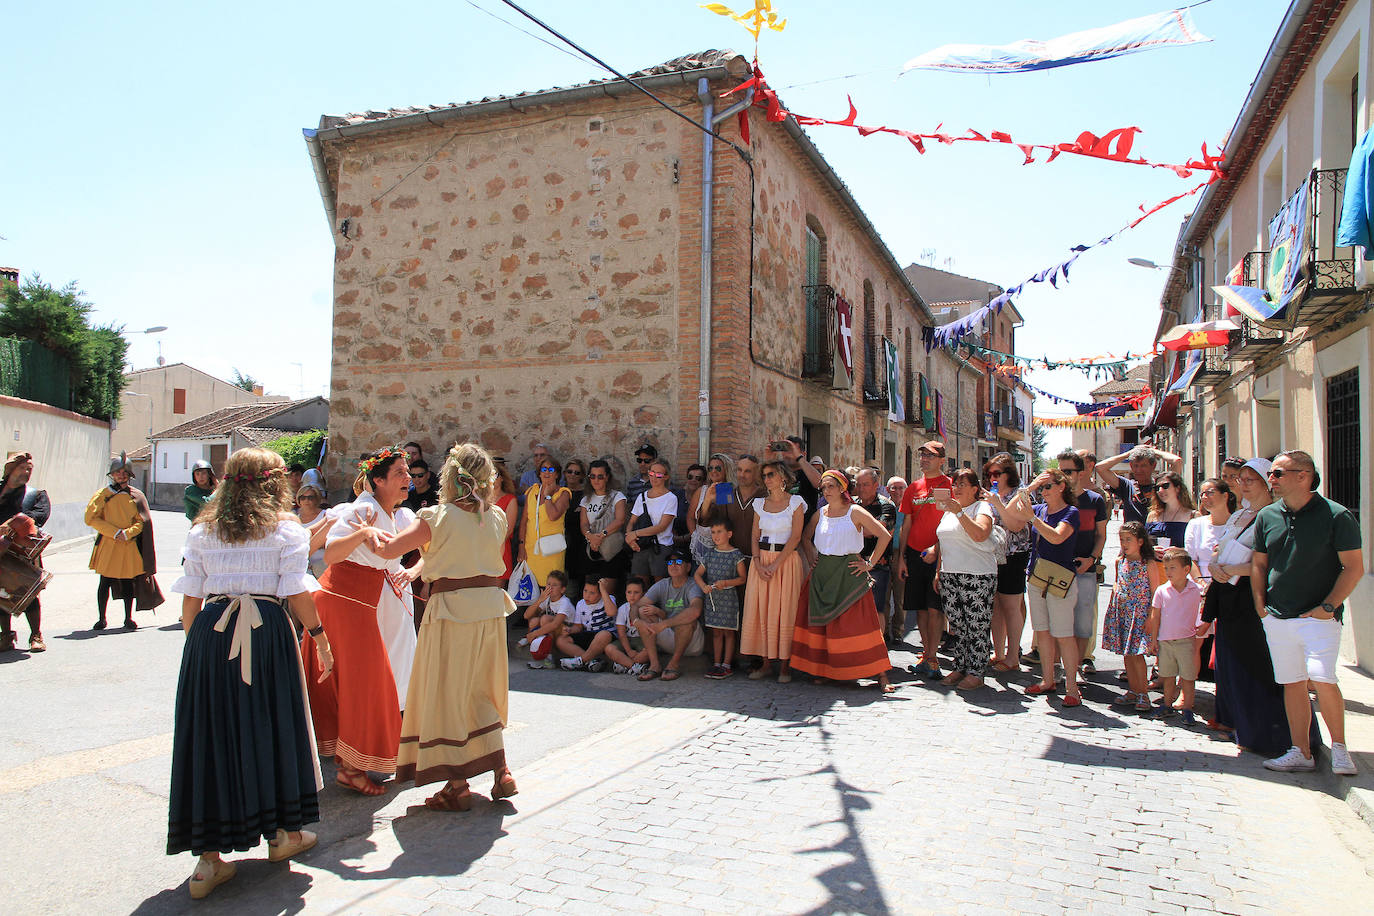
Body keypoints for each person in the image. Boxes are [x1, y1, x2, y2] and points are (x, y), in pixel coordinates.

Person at [167, 447, 333, 899]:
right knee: (272, 726)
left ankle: (208, 861)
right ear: (274, 483)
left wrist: (197, 652)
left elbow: (191, 597)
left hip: (211, 634)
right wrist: (320, 638)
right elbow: (297, 592)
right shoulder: (285, 529)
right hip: (266, 634)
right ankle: (282, 834)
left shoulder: (203, 530)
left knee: (211, 735)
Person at [371, 442, 520, 809]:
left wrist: (363, 531)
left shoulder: (435, 517)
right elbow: (462, 550)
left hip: (452, 610)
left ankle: (457, 784)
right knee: (480, 689)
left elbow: (388, 550)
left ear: (450, 476)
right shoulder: (496, 517)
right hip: (489, 610)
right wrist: (419, 567)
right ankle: (501, 771)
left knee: (447, 691)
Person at [300, 446, 411, 796]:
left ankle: (349, 765)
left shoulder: (389, 513)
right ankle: (350, 767)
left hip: (359, 606)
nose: (408, 478)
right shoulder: (363, 509)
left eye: (407, 472)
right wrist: (362, 534)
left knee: (358, 684)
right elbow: (331, 554)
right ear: (378, 480)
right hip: (342, 604)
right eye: (399, 473)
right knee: (364, 685)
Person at [1253, 450, 1363, 776]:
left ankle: (1340, 749)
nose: (1270, 479)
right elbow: (1259, 563)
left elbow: (1354, 567)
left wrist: (1328, 607)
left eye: (1277, 473)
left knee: (1323, 677)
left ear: (1304, 476)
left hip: (1319, 618)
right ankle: (1300, 751)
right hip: (1277, 616)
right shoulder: (1267, 515)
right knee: (1292, 682)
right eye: (1271, 473)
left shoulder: (1337, 515)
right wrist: (1261, 607)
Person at [1206, 458, 1318, 756]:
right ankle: (1241, 726)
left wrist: (1233, 569)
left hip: (1253, 597)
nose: (1243, 484)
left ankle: (1270, 735)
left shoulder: (1276, 516)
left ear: (1266, 484)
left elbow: (1274, 561)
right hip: (1228, 596)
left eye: (1250, 479)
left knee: (1258, 667)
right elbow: (1221, 547)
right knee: (1233, 666)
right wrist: (1216, 564)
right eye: (1240, 479)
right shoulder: (1239, 514)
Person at [928, 468, 997, 690]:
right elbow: (944, 542)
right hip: (950, 574)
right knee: (958, 625)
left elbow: (980, 534)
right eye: (955, 484)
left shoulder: (981, 508)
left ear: (975, 489)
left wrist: (959, 513)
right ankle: (960, 666)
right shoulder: (948, 510)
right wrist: (939, 571)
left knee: (977, 626)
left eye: (962, 484)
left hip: (977, 575)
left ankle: (976, 672)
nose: (956, 489)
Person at [740, 460, 806, 682]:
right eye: (765, 475)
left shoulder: (796, 503)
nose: (766, 479)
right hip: (761, 561)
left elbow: (796, 537)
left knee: (785, 610)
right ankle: (766, 664)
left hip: (786, 562)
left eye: (771, 474)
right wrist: (758, 563)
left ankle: (785, 666)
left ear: (783, 477)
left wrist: (775, 565)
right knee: (763, 610)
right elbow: (754, 535)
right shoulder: (759, 504)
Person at [1022, 468, 1083, 706]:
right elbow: (1014, 509)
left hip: (1060, 579)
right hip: (1037, 577)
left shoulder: (1071, 512)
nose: (1044, 491)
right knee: (1043, 632)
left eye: (1048, 486)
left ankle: (1072, 688)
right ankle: (1047, 680)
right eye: (1042, 487)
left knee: (1064, 634)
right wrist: (1030, 487)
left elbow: (1057, 537)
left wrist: (1033, 519)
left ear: (1061, 487)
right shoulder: (1039, 509)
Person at [897, 441, 953, 678]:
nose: (924, 459)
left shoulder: (949, 485)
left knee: (935, 607)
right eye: (922, 455)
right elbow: (907, 524)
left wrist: (936, 548)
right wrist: (901, 557)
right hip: (914, 553)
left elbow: (951, 521)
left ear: (942, 460)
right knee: (919, 607)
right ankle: (926, 654)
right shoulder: (913, 488)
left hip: (940, 555)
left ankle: (933, 657)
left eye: (930, 455)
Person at [85, 454, 156, 631]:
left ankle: (128, 618)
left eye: (124, 472)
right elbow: (91, 518)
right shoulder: (103, 494)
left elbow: (142, 521)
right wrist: (114, 533)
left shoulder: (136, 495)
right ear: (112, 474)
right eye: (118, 472)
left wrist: (127, 533)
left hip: (127, 544)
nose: (121, 475)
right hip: (109, 544)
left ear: (130, 474)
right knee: (105, 582)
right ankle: (101, 618)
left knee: (127, 583)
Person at [1056, 450, 1107, 676]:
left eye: (1068, 471)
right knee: (1058, 623)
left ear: (1081, 472)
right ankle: (1059, 669)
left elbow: (1101, 535)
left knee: (1083, 624)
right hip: (1057, 569)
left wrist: (1092, 559)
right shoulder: (1054, 498)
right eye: (1060, 471)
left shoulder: (1095, 500)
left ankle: (1074, 670)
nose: (1063, 476)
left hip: (1085, 568)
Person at [1104, 522, 1161, 712]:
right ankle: (1134, 690)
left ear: (1140, 541)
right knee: (1127, 654)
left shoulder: (1148, 564)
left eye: (1129, 539)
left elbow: (1155, 591)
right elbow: (1116, 582)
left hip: (1140, 614)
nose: (1124, 543)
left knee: (1137, 655)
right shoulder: (1120, 561)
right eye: (1122, 540)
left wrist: (1151, 617)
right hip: (1122, 612)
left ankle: (1143, 692)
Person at [982, 454, 1031, 671]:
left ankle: (1013, 657)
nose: (992, 478)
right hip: (992, 556)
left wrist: (997, 504)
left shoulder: (1020, 494)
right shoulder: (991, 494)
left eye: (997, 474)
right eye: (989, 474)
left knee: (1011, 607)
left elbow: (1016, 526)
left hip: (1014, 555)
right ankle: (999, 652)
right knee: (996, 607)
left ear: (1008, 474)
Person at [1148, 546, 1205, 723]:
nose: (1168, 572)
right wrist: (1154, 639)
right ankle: (1167, 705)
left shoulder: (1196, 590)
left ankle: (1187, 707)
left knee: (1188, 676)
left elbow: (1204, 608)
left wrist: (1203, 626)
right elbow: (1155, 616)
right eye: (1166, 568)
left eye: (1172, 568)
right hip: (1165, 640)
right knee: (1168, 675)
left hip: (1186, 641)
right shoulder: (1162, 590)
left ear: (1186, 569)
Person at [0, 452, 49, 652]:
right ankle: (6, 636)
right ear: (11, 469)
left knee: (28, 592)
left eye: (30, 469)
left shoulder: (35, 495)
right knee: (0, 595)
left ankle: (36, 635)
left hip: (22, 550)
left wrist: (13, 523)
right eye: (23, 468)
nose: (27, 472)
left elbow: (39, 515)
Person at [633, 550, 705, 681]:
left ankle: (674, 664)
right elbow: (636, 605)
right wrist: (636, 621)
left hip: (692, 643)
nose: (673, 565)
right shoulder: (662, 584)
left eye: (678, 562)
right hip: (669, 637)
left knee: (687, 620)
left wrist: (664, 624)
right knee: (643, 611)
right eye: (670, 562)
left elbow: (695, 610)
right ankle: (654, 665)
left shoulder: (693, 585)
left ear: (688, 567)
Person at [695, 518, 746, 679]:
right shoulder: (710, 554)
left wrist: (726, 583)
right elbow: (697, 574)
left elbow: (742, 578)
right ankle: (717, 664)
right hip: (713, 600)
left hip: (728, 600)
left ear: (729, 534)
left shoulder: (736, 554)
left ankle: (727, 665)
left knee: (729, 632)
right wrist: (703, 586)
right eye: (713, 532)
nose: (715, 536)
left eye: (719, 532)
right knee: (716, 632)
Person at [854, 468, 898, 643]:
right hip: (854, 562)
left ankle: (877, 647)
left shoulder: (886, 506)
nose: (861, 488)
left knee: (876, 607)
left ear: (875, 485)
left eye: (865, 484)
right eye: (858, 484)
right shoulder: (853, 504)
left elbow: (878, 530)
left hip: (877, 564)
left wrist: (854, 529)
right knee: (855, 607)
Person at [1096, 443, 1184, 526]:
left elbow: (1177, 461)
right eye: (1136, 466)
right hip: (1132, 535)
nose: (1139, 470)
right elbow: (1100, 468)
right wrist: (1128, 454)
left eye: (1143, 466)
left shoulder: (1162, 486)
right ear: (1131, 466)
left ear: (1153, 466)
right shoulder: (1127, 486)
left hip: (1157, 533)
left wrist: (1154, 451)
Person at [580, 458, 629, 602]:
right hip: (591, 548)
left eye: (600, 476)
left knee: (608, 593)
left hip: (610, 549)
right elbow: (584, 524)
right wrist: (590, 537)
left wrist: (600, 536)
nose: (596, 480)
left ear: (607, 477)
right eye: (592, 476)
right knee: (590, 591)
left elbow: (620, 520)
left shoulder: (617, 496)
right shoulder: (586, 499)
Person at [519, 457, 570, 588]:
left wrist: (547, 496)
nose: (547, 472)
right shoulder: (532, 491)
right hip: (531, 549)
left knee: (550, 588)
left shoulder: (563, 493)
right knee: (530, 589)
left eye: (551, 469)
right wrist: (521, 547)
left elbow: (553, 516)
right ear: (539, 473)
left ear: (557, 474)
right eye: (544, 469)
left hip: (552, 550)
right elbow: (524, 521)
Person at [625, 459, 677, 583]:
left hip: (661, 546)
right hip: (642, 545)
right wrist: (630, 539)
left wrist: (635, 534)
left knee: (660, 582)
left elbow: (662, 527)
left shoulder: (671, 498)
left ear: (666, 477)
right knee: (640, 582)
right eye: (652, 473)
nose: (654, 477)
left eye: (658, 475)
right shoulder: (642, 496)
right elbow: (632, 522)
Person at [558, 579, 616, 671]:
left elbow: (611, 612)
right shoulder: (580, 604)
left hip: (606, 635)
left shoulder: (609, 598)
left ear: (601, 594)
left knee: (604, 634)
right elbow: (578, 627)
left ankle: (580, 661)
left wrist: (604, 591)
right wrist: (570, 630)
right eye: (585, 591)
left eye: (592, 593)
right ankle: (591, 661)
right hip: (589, 634)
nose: (587, 595)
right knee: (561, 640)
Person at [520, 571, 574, 669]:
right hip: (552, 631)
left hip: (567, 633)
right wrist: (540, 600)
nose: (550, 587)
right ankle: (539, 655)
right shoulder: (547, 599)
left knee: (545, 619)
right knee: (534, 621)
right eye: (548, 584)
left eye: (555, 585)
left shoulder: (564, 602)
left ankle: (548, 659)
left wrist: (534, 634)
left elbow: (555, 624)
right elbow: (526, 615)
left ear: (562, 590)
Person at [690, 454, 734, 565]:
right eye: (710, 468)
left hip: (723, 547)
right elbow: (691, 517)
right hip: (702, 546)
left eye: (718, 468)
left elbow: (725, 518)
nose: (713, 471)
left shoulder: (730, 491)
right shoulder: (702, 491)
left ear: (726, 469)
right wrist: (694, 535)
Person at [604, 576, 651, 675]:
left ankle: (624, 665)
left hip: (642, 640)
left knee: (649, 652)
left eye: (636, 592)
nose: (632, 596)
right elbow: (621, 634)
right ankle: (634, 666)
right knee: (609, 648)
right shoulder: (623, 609)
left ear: (644, 593)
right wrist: (629, 651)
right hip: (627, 639)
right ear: (625, 593)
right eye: (629, 592)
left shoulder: (647, 608)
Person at [722, 454, 762, 558]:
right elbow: (712, 523)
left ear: (756, 473)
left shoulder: (764, 496)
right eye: (739, 470)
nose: (742, 475)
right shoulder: (727, 493)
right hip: (731, 558)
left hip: (756, 559)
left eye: (747, 471)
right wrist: (708, 500)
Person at [1146, 471, 1196, 550]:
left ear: (1177, 488)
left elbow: (1199, 548)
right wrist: (1152, 550)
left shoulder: (1193, 516)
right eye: (1157, 488)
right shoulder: (1152, 515)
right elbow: (1145, 544)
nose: (1160, 490)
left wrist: (1179, 551)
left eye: (1165, 486)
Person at [293, 483, 333, 577]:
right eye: (303, 497)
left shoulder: (326, 515)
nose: (306, 500)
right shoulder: (294, 518)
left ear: (316, 499)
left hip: (323, 563)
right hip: (301, 564)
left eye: (310, 497)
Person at [492, 459, 519, 582]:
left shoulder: (510, 499)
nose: (492, 478)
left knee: (498, 587)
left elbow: (509, 529)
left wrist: (492, 544)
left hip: (500, 548)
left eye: (495, 475)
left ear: (502, 478)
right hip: (482, 549)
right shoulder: (481, 500)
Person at [625, 443, 656, 508]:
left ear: (654, 461)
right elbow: (629, 506)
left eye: (646, 461)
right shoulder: (632, 483)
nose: (642, 464)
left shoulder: (661, 481)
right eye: (639, 460)